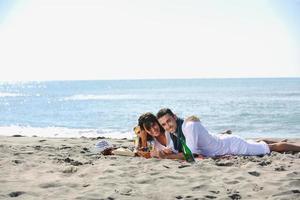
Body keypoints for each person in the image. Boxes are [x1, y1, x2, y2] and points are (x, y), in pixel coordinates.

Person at [157, 108, 300, 157]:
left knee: (271, 148)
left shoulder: (189, 126)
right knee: (257, 143)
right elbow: (177, 149)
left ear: (174, 117)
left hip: (232, 146)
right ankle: (274, 142)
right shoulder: (174, 131)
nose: (167, 126)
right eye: (163, 124)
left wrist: (166, 157)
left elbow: (191, 155)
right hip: (223, 140)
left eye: (169, 121)